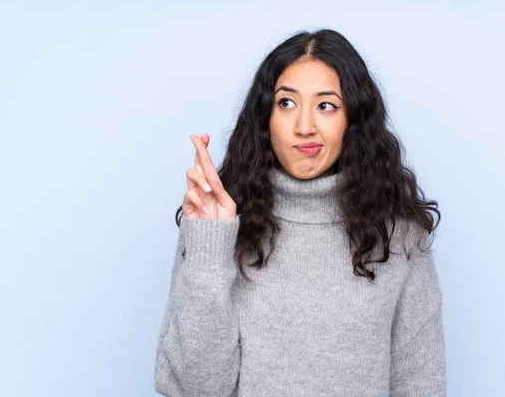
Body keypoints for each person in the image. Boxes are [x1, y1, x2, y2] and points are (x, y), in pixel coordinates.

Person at [155, 29, 446, 396]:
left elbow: (421, 386)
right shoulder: (217, 228)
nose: (304, 126)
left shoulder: (399, 237)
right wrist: (210, 245)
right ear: (265, 117)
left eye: (326, 105)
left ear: (352, 121)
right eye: (287, 103)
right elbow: (197, 389)